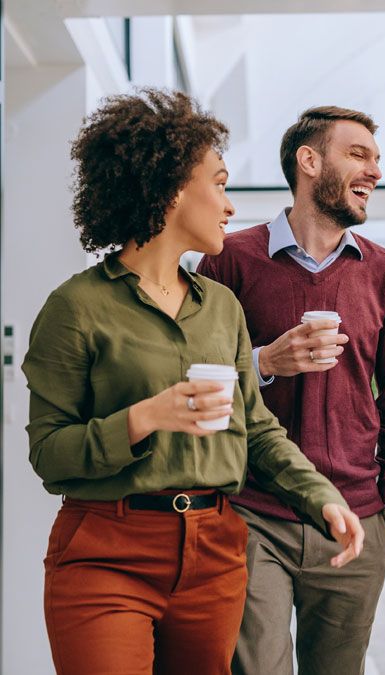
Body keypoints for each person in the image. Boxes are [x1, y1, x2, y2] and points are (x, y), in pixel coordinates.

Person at [22, 89, 363, 675]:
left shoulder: (221, 308)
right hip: (106, 553)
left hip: (214, 554)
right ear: (173, 188)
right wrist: (145, 418)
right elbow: (50, 454)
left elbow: (256, 429)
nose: (230, 205)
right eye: (220, 183)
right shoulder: (76, 307)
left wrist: (322, 498)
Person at [197, 105, 385, 675]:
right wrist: (266, 361)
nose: (374, 171)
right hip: (252, 511)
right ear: (309, 160)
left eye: (376, 159)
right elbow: (193, 372)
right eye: (358, 155)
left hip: (357, 514)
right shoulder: (227, 261)